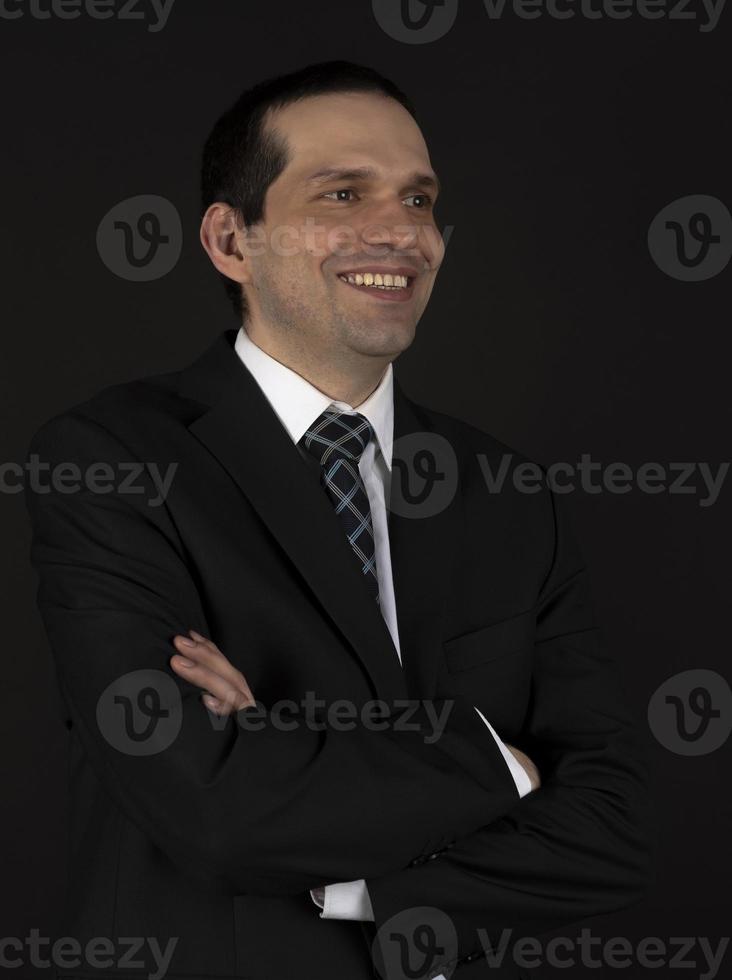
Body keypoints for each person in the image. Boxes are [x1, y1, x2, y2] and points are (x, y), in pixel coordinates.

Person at [25, 61, 649, 980]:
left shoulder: (505, 489)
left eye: (419, 198)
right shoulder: (113, 461)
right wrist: (500, 762)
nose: (400, 231)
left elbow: (618, 830)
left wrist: (341, 856)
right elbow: (214, 812)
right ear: (232, 240)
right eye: (344, 192)